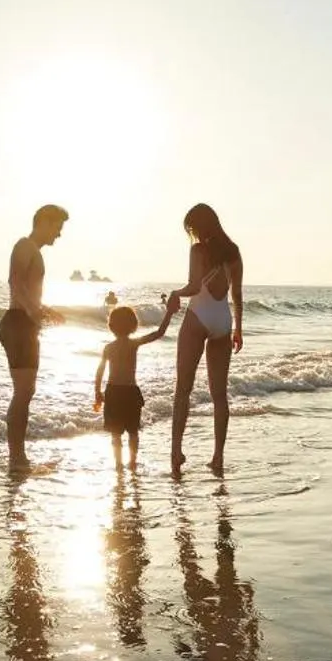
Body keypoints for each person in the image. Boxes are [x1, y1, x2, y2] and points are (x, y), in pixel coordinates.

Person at [166, 202, 244, 475]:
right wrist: (238, 330)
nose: (192, 234)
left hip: (198, 316)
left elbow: (194, 286)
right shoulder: (233, 252)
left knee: (183, 389)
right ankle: (218, 456)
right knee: (219, 394)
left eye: (191, 228)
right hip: (223, 321)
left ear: (198, 226)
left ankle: (176, 452)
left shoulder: (198, 250)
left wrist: (175, 293)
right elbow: (237, 295)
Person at [0, 204, 69, 468]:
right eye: (58, 228)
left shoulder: (34, 251)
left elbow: (26, 288)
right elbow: (15, 282)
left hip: (23, 324)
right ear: (44, 222)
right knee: (23, 392)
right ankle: (16, 458)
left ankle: (18, 456)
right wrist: (33, 310)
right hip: (17, 324)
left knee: (26, 392)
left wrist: (43, 310)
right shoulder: (24, 245)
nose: (59, 235)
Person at [93, 301, 173, 468]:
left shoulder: (109, 347)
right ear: (133, 325)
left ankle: (118, 464)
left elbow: (100, 371)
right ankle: (132, 462)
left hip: (113, 392)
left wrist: (97, 393)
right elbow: (159, 333)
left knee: (115, 434)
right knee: (133, 431)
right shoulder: (133, 344)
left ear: (111, 325)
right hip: (130, 392)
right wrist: (169, 313)